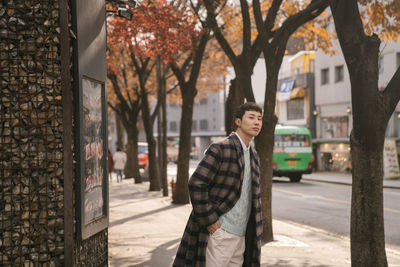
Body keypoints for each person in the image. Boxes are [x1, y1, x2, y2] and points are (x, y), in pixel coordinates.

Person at [173, 102, 263, 267]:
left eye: (259, 118)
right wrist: (210, 221)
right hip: (220, 232)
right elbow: (196, 183)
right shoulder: (221, 148)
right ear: (238, 121)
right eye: (251, 117)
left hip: (242, 235)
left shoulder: (254, 155)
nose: (256, 122)